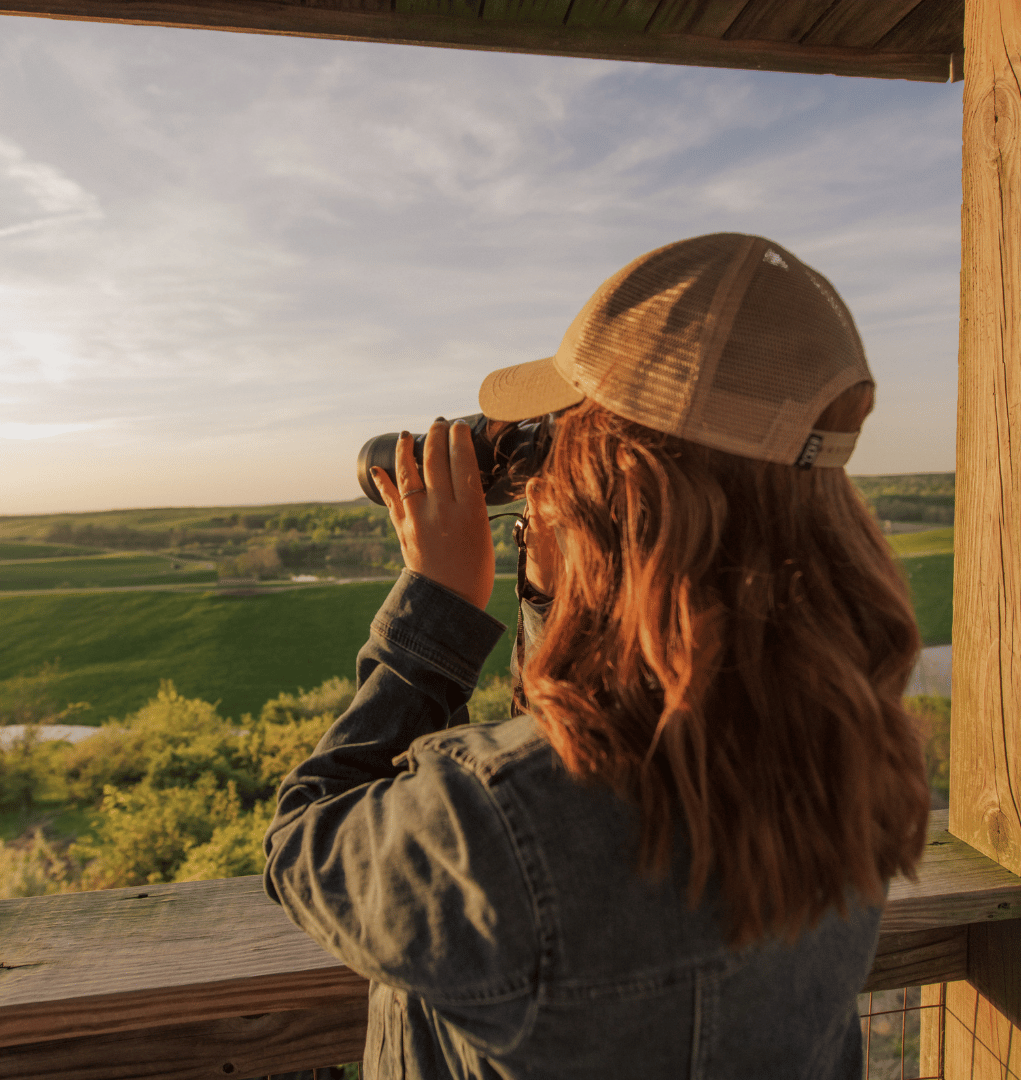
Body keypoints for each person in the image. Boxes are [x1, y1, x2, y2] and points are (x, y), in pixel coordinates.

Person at [263, 233, 930, 1079]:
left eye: (555, 444)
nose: (535, 480)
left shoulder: (498, 825)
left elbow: (307, 841)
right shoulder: (856, 760)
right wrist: (560, 595)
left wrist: (436, 614)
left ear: (608, 490)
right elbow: (596, 729)